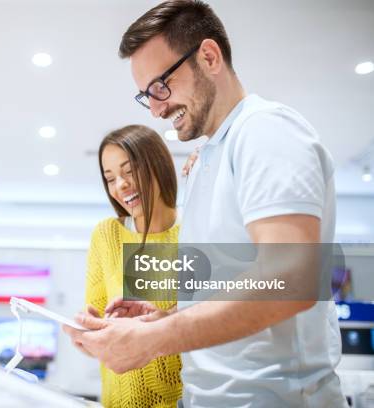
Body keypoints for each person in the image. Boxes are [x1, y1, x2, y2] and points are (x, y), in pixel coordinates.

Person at [64, 1, 347, 407]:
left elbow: (291, 279)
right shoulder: (206, 162)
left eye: (161, 86)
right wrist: (164, 319)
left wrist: (152, 340)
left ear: (209, 57)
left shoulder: (265, 131)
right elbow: (227, 293)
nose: (158, 107)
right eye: (147, 96)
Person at [82, 125, 183, 407]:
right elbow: (103, 336)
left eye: (129, 171)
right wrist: (87, 334)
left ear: (157, 164)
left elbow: (212, 321)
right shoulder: (107, 235)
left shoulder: (192, 231)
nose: (121, 185)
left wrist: (160, 323)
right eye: (110, 178)